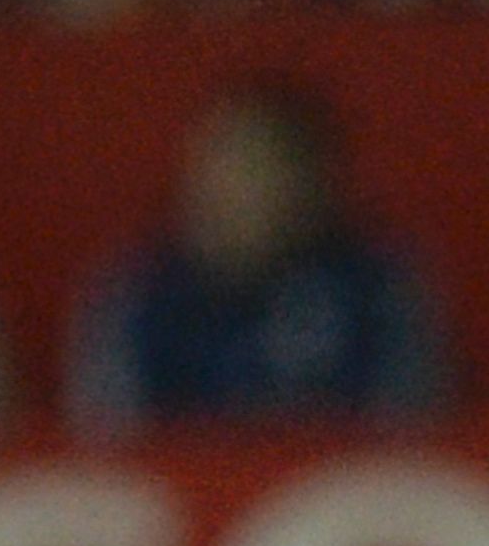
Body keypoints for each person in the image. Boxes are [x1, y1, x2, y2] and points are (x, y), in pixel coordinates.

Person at [67, 83, 452, 434]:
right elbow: (108, 447)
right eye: (218, 165)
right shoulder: (138, 293)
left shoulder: (376, 291)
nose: (235, 189)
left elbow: (412, 441)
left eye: (260, 166)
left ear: (313, 184)